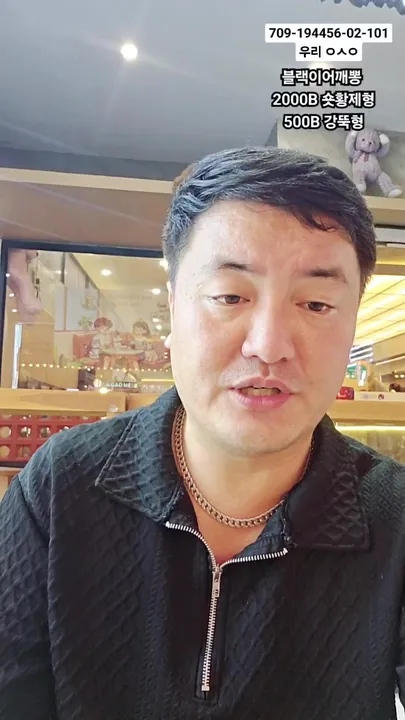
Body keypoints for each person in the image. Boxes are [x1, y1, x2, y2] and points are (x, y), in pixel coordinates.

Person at [1, 146, 405, 720]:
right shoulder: (61, 487)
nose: (268, 345)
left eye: (317, 303)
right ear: (173, 308)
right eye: (229, 297)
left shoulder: (395, 516)